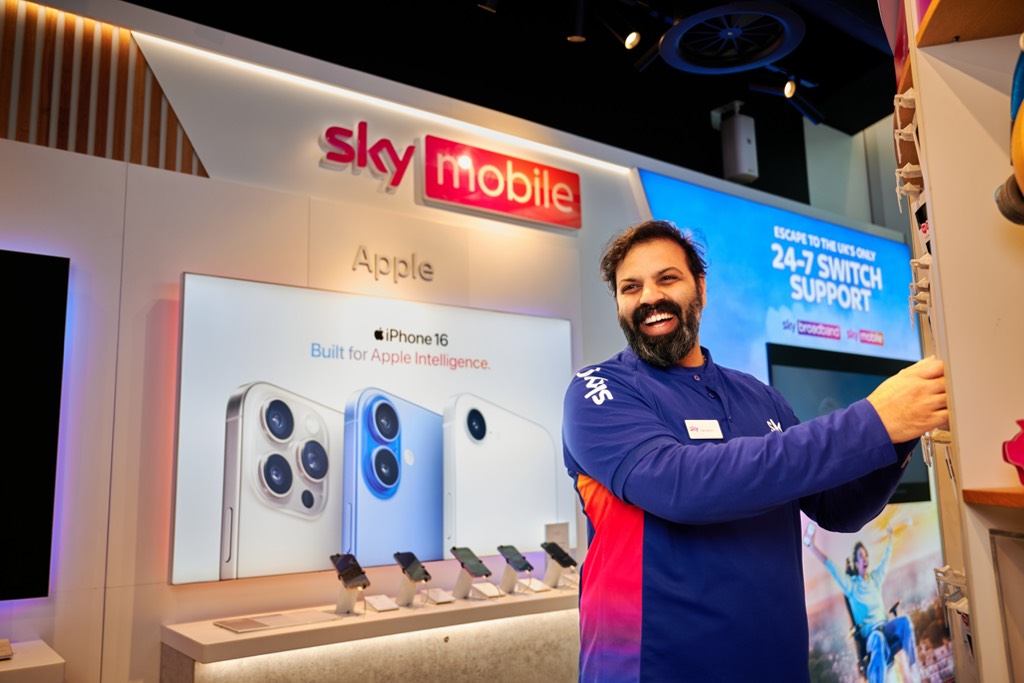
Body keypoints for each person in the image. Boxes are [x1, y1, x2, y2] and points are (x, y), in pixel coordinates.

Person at [561, 219, 948, 683]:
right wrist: (873, 420)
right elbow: (682, 484)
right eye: (630, 287)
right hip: (652, 669)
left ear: (700, 288)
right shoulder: (598, 390)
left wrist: (901, 430)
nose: (649, 297)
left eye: (667, 278)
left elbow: (838, 507)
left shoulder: (760, 398)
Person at [804, 523, 920, 683]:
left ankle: (914, 672)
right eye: (861, 556)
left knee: (905, 623)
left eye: (866, 555)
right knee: (879, 639)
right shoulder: (851, 585)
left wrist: (891, 538)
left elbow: (885, 560)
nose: (865, 559)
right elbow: (830, 566)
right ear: (856, 562)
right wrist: (810, 545)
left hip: (885, 627)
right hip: (871, 635)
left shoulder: (874, 579)